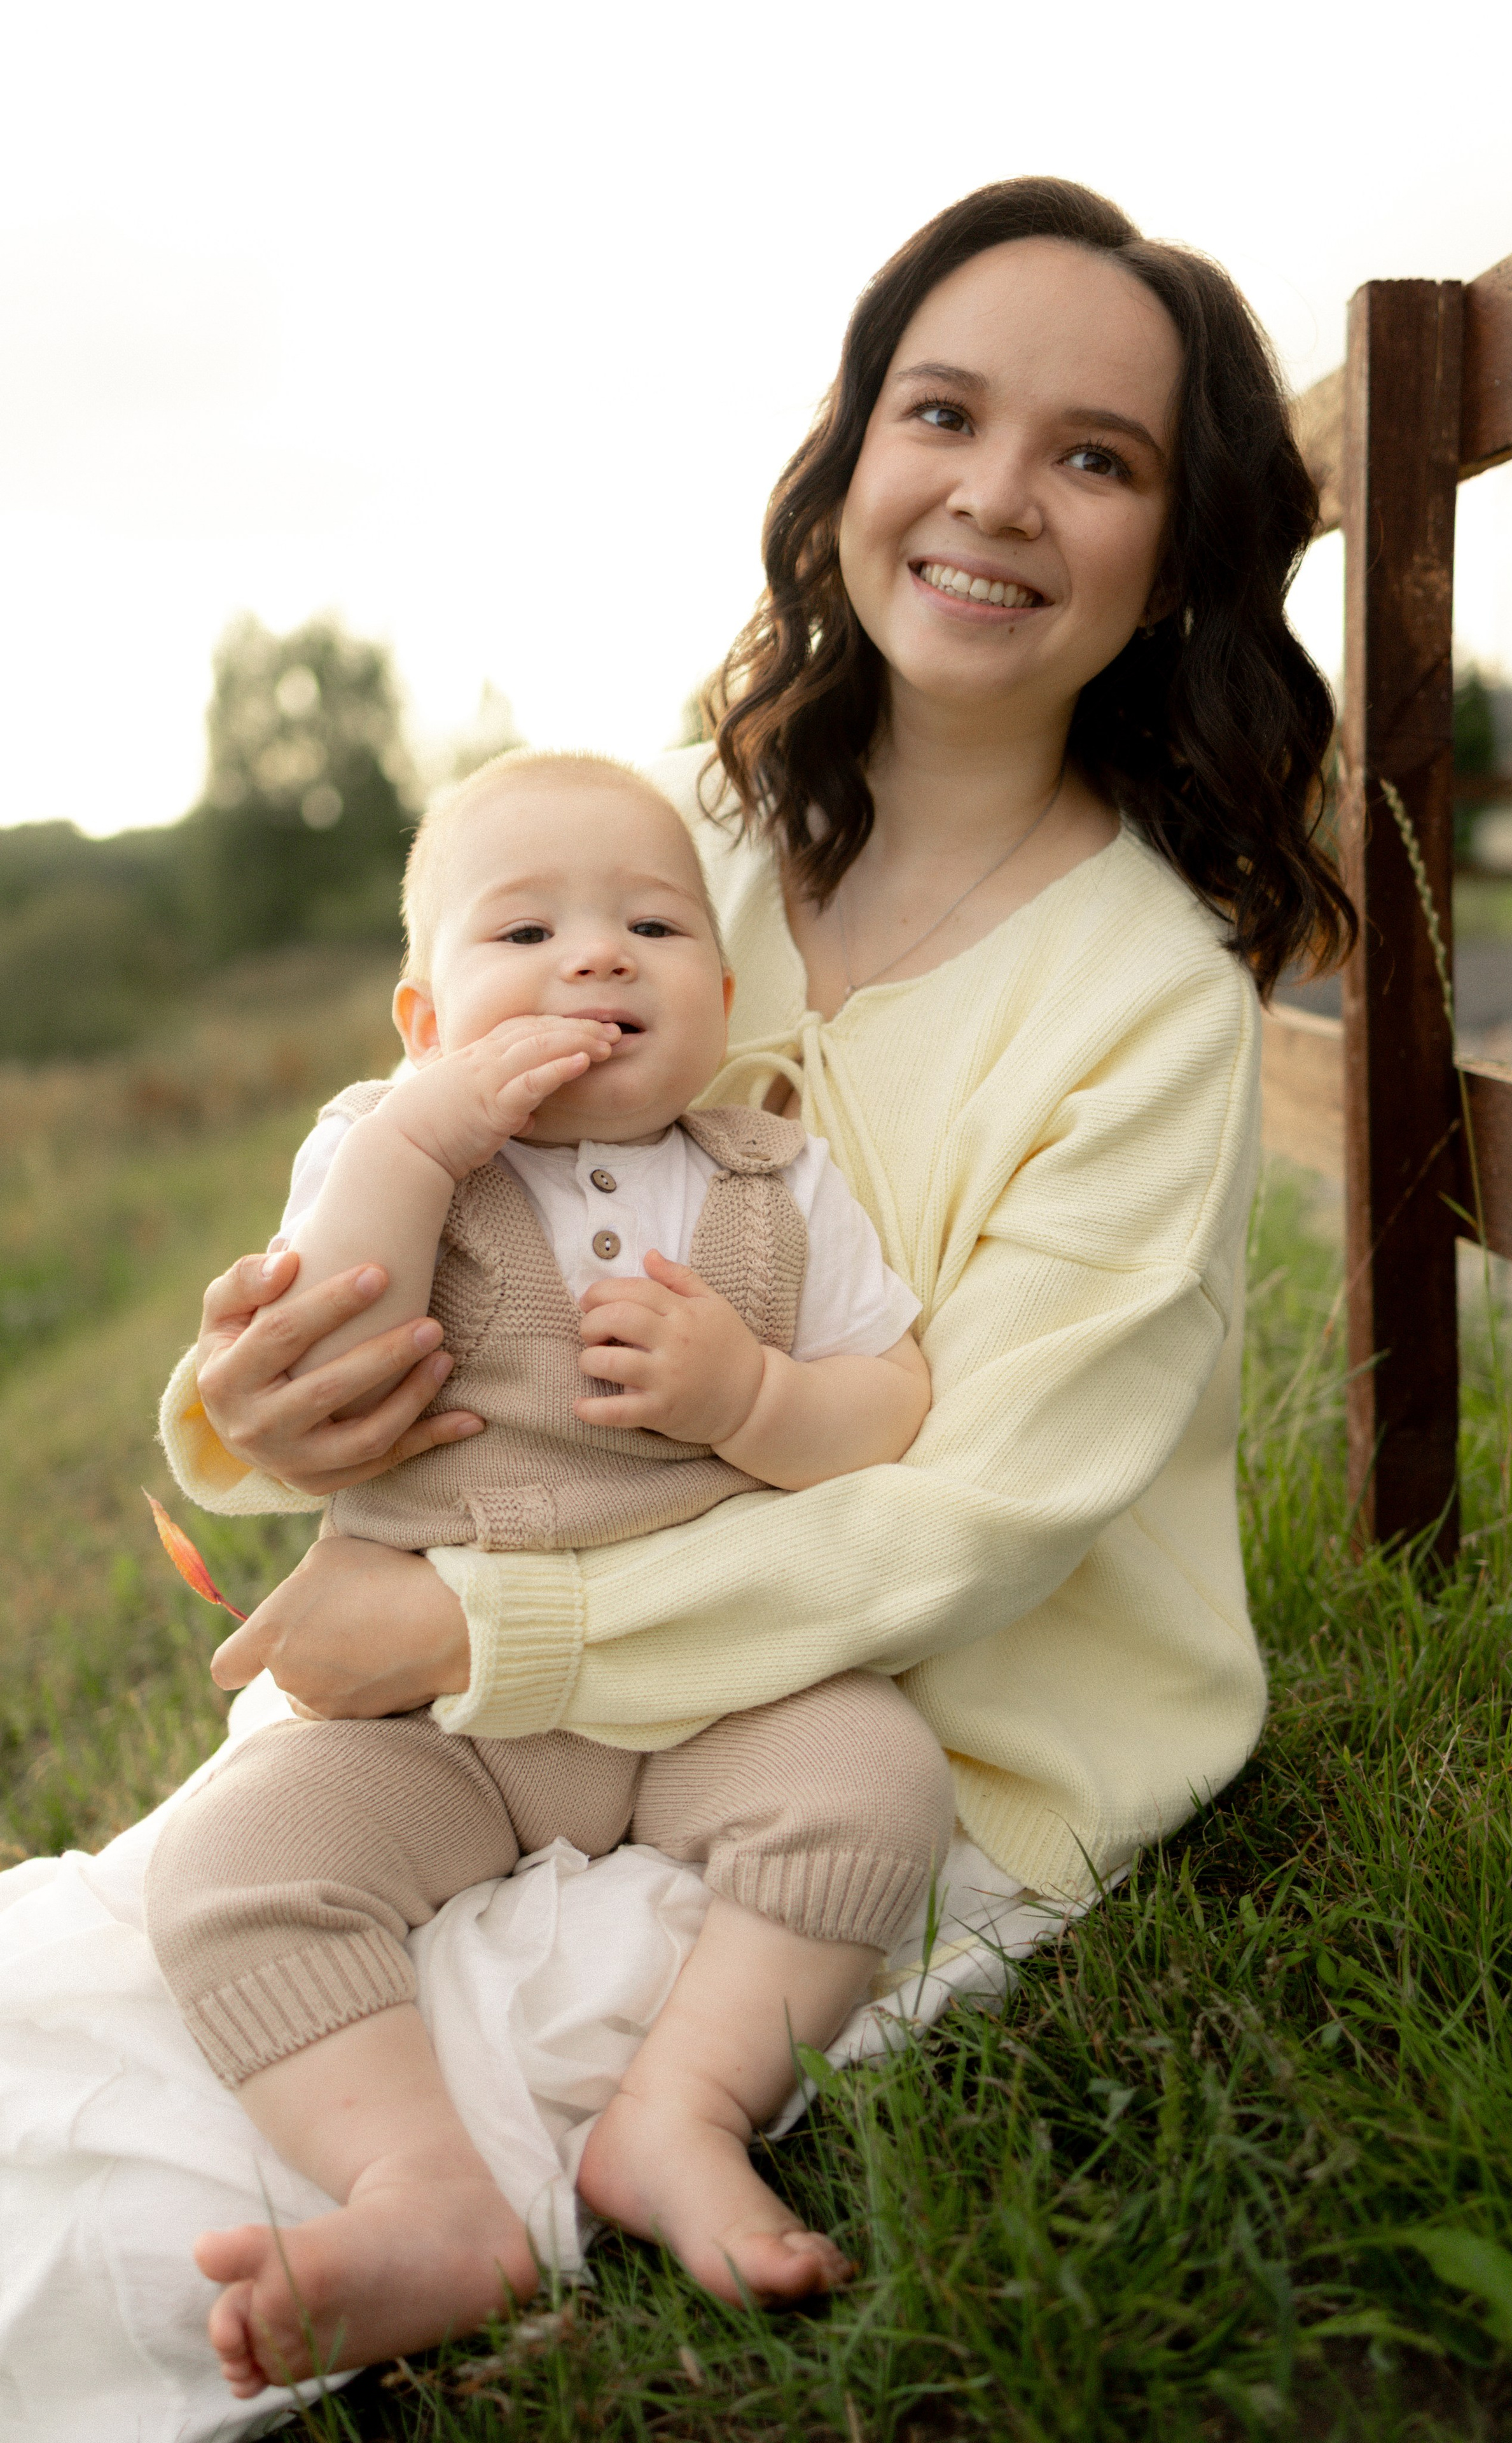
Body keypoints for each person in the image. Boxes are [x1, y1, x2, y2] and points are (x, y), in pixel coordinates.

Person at [158, 175, 1352, 2389]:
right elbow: (418, 1161)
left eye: (1096, 456)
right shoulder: (676, 834)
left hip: (939, 1713)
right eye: (944, 413)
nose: (995, 496)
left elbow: (981, 1516)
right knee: (208, 1917)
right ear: (853, 454)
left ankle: (569, 2172)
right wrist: (258, 1399)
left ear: (1181, 550)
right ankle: (424, 2185)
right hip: (561, 1649)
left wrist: (485, 1630)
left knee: (228, 2108)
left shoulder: (1148, 1002)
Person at [144, 748, 948, 2398]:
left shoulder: (775, 1178)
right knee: (232, 1865)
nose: (594, 959)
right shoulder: (376, 1146)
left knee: (875, 1777)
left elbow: (893, 1406)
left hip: (703, 1690)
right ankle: (425, 2195)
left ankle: (683, 2114)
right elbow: (337, 1355)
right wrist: (422, 1141)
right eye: (524, 934)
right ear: (423, 1017)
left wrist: (755, 1398)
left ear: (723, 1000)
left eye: (651, 927)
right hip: (428, 1717)